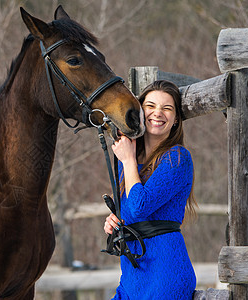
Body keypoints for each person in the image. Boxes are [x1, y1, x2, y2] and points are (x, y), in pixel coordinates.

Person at [104, 80, 197, 299]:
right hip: (131, 274)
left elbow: (140, 207)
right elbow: (130, 212)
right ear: (140, 110)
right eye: (151, 106)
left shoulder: (178, 158)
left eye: (167, 108)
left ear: (175, 120)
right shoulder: (129, 159)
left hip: (164, 273)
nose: (158, 113)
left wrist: (127, 159)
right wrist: (114, 220)